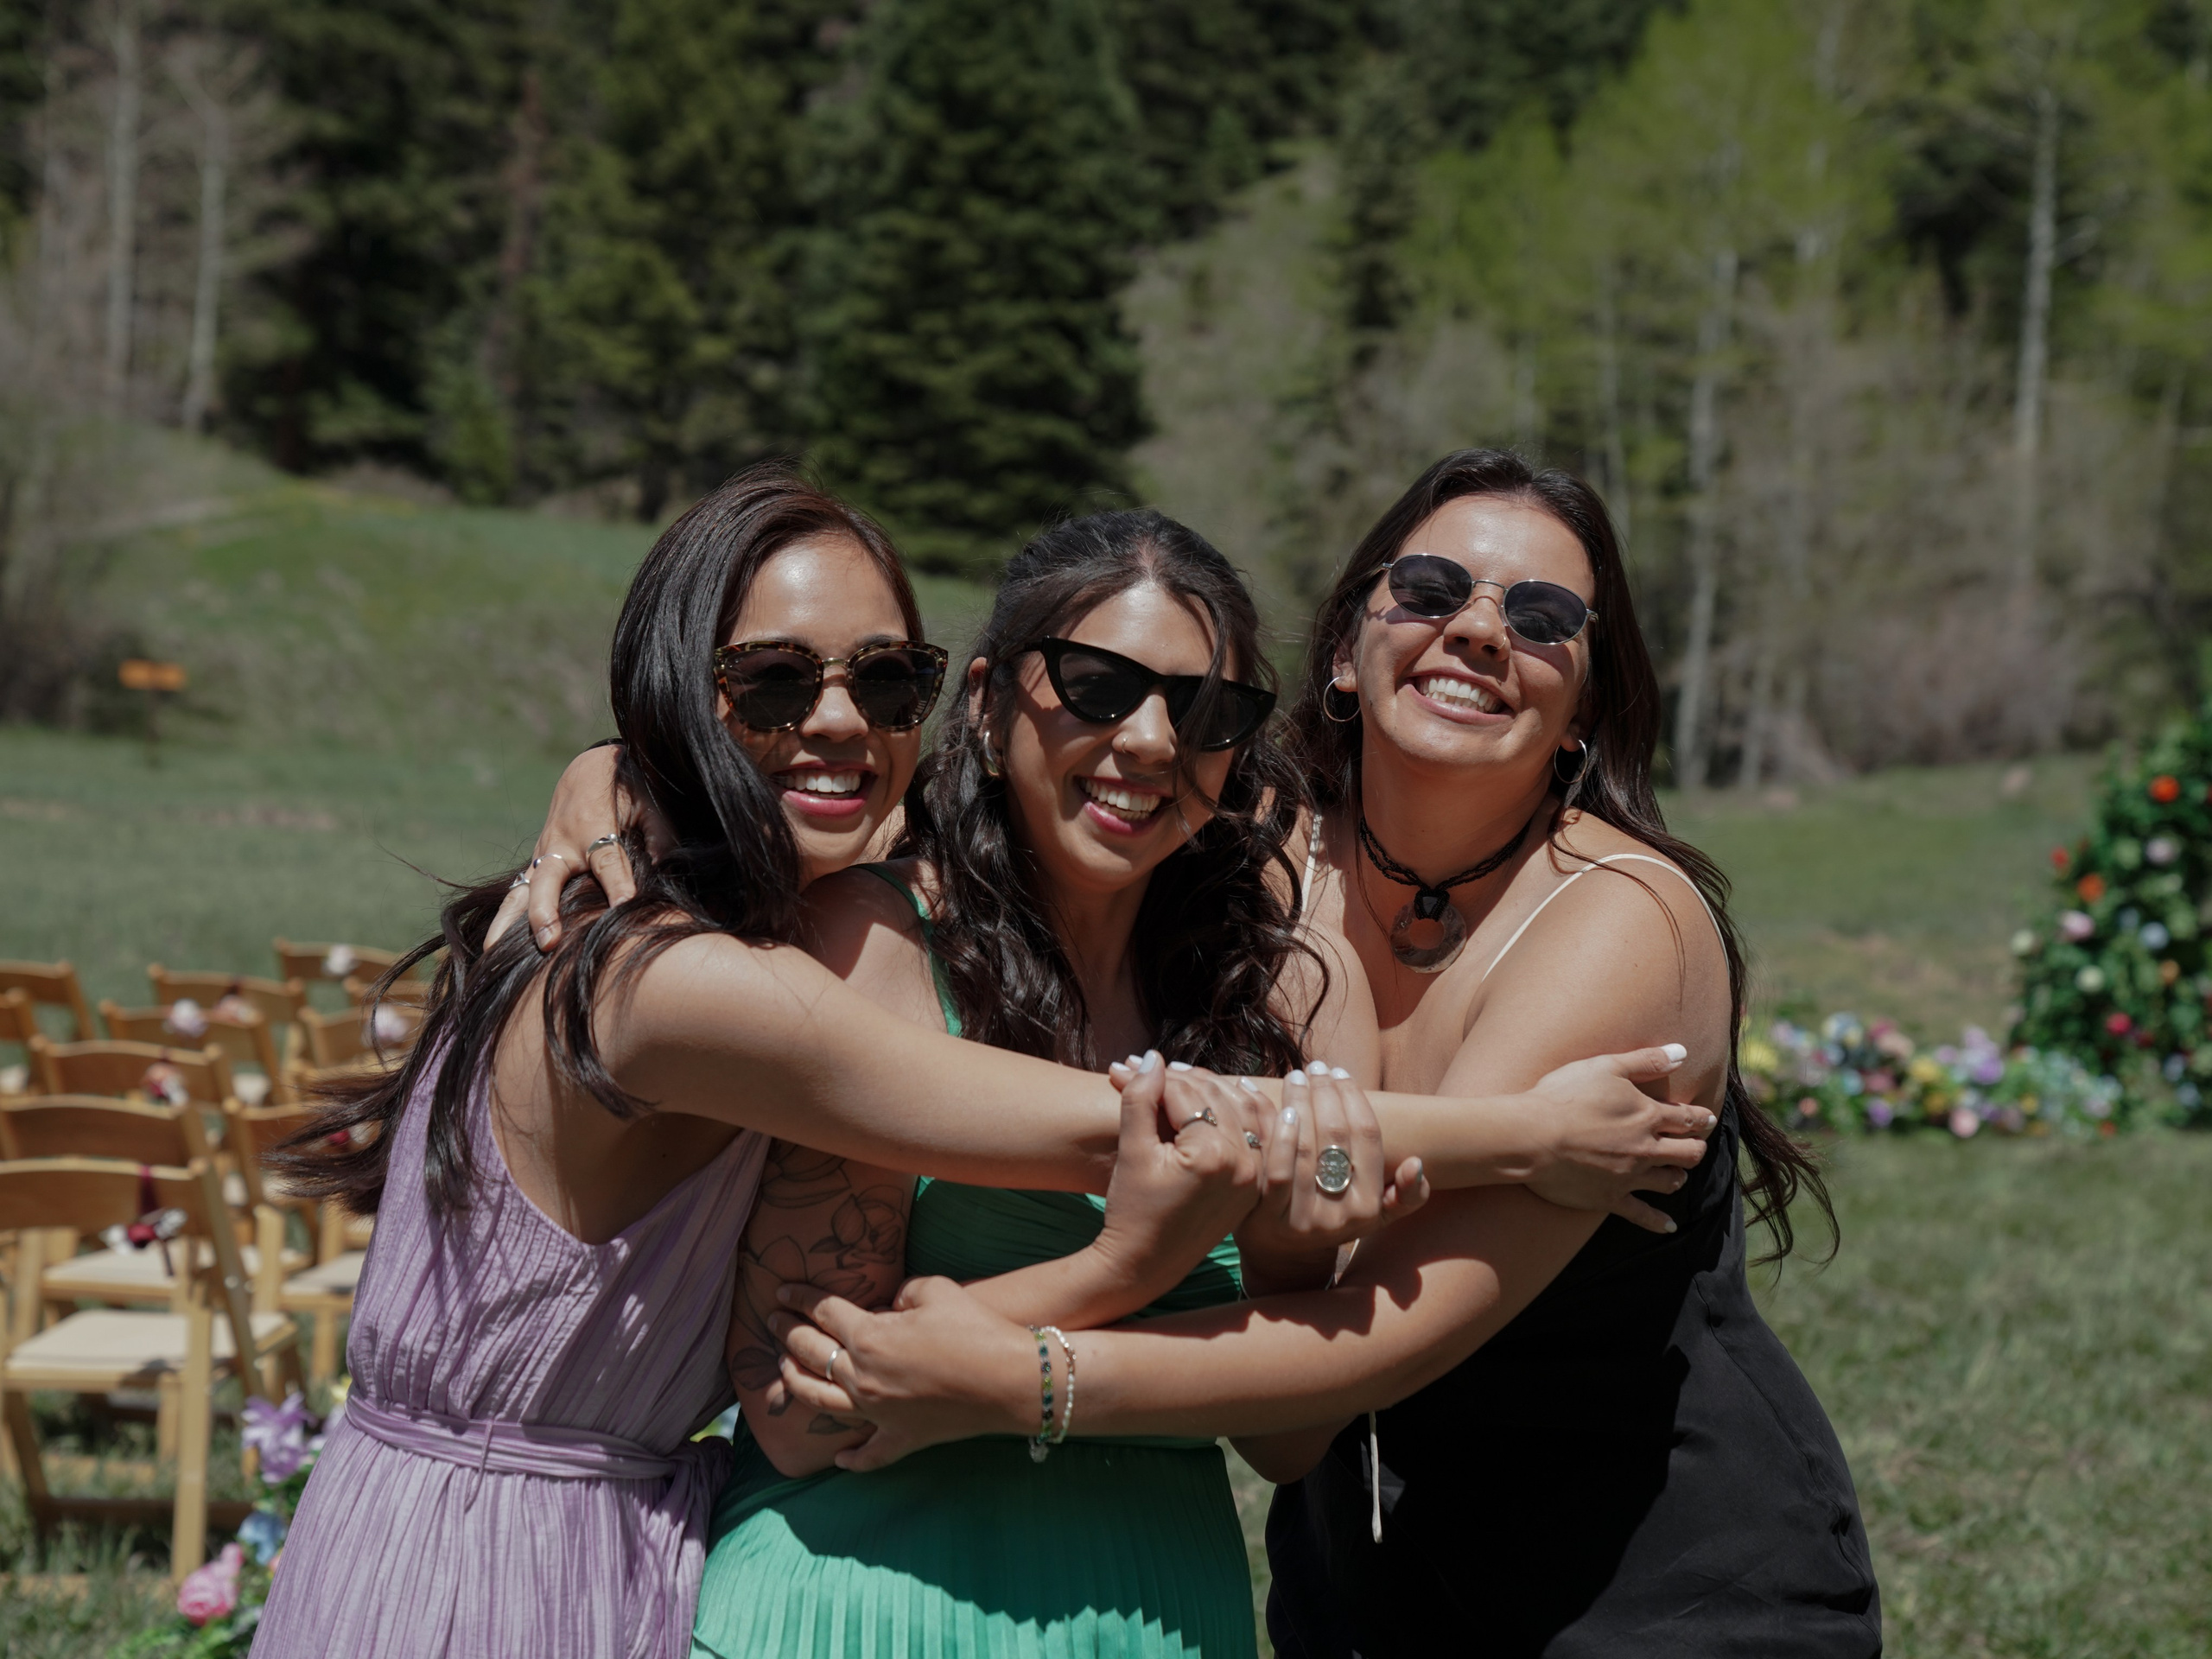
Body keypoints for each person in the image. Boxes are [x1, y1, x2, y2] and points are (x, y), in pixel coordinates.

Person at [255, 463, 1707, 1659]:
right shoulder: (817, 951)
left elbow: (1293, 1434)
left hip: (1150, 1608)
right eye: (1094, 683)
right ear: (1001, 698)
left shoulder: (1256, 962)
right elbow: (814, 1391)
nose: (1146, 740)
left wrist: (1277, 1253)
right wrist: (1517, 1137)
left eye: (1202, 713)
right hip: (820, 1600)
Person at [768, 452, 1882, 1657]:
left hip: (1659, 1589)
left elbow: (1383, 1334)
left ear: (1588, 708)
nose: (1478, 632)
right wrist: (599, 792)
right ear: (1349, 647)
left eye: (1545, 617)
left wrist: (1019, 1379)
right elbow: (967, 802)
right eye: (1432, 589)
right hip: (1362, 1590)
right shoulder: (1246, 858)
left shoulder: (1628, 921)